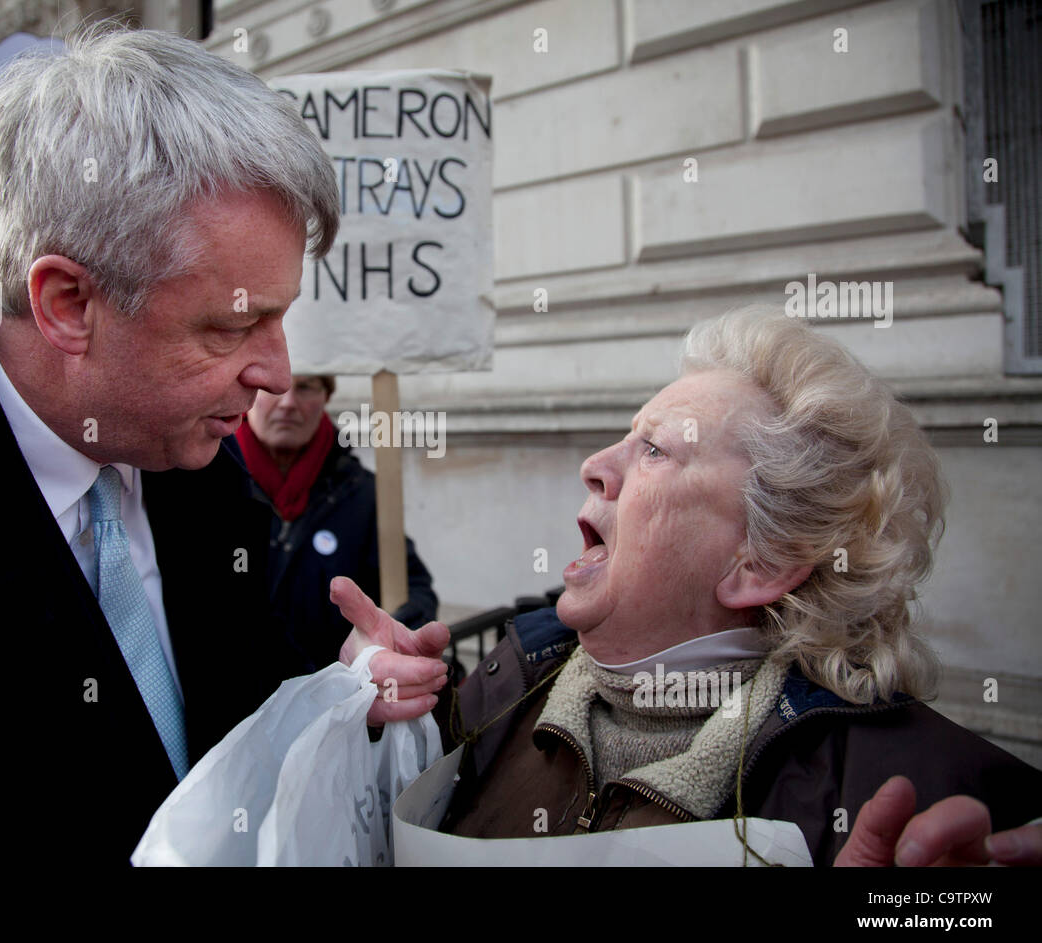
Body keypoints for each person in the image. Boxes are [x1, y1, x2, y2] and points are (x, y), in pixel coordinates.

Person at [0, 24, 446, 872]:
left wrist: (343, 695)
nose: (276, 372)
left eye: (280, 315)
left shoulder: (201, 472)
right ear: (68, 302)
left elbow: (231, 718)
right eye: (232, 324)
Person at [328, 307, 1042, 866]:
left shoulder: (907, 803)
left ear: (759, 563)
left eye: (655, 450)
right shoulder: (501, 688)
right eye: (626, 435)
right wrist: (367, 708)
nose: (594, 465)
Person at [237, 374, 438, 671]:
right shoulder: (208, 485)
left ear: (326, 397)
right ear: (248, 394)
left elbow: (412, 587)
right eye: (275, 387)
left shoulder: (363, 494)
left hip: (338, 703)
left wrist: (391, 638)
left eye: (305, 387)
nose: (289, 403)